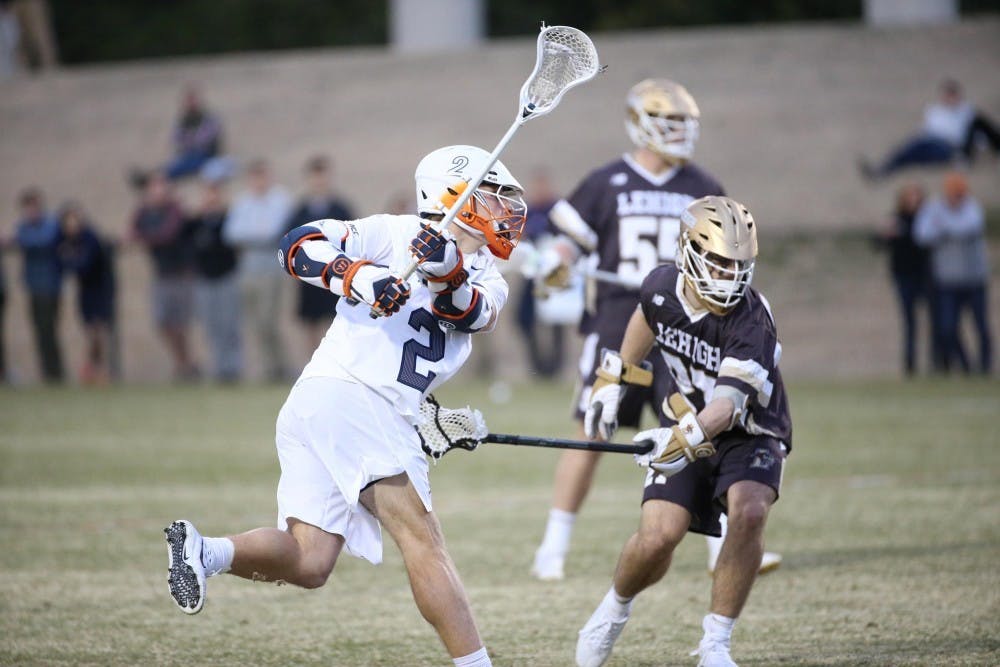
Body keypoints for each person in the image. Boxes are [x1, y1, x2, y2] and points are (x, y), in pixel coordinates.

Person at [163, 144, 528, 667]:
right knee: (423, 539)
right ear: (457, 197)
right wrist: (359, 277)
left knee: (310, 561)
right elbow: (296, 245)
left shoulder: (488, 274)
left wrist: (446, 268)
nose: (507, 212)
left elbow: (467, 310)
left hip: (331, 403)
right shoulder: (396, 233)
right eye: (494, 198)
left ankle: (205, 552)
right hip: (356, 399)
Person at [531, 79, 779, 581]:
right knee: (592, 432)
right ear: (640, 124)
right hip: (620, 321)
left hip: (687, 322)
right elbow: (568, 243)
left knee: (700, 426)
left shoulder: (700, 183)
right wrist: (556, 264)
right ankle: (552, 548)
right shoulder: (607, 181)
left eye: (685, 125)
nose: (679, 134)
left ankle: (721, 548)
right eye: (670, 124)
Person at [575, 196, 791, 667]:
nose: (729, 275)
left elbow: (727, 408)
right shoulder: (660, 285)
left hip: (750, 429)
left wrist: (677, 437)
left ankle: (715, 644)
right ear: (688, 251)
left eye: (738, 265)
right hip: (689, 417)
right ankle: (612, 611)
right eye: (717, 261)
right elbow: (646, 318)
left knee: (749, 511)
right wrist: (613, 378)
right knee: (658, 536)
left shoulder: (752, 320)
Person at [914, 171, 992, 375]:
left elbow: (969, 226)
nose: (957, 198)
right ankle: (965, 366)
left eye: (960, 194)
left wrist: (943, 228)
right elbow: (922, 235)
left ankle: (985, 367)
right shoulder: (934, 209)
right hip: (947, 280)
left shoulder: (972, 208)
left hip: (974, 278)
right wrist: (944, 229)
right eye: (954, 194)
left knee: (981, 326)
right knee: (948, 327)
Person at [224, 159, 292, 381]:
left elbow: (274, 231)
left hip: (271, 269)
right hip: (248, 270)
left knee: (268, 320)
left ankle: (279, 366)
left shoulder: (280, 200)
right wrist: (256, 234)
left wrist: (251, 235)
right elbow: (231, 233)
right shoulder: (243, 202)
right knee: (254, 322)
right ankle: (268, 367)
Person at [129, 170, 199, 380]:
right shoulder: (144, 212)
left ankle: (186, 365)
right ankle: (183, 363)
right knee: (162, 323)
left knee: (179, 323)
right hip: (161, 275)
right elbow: (131, 232)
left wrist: (146, 236)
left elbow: (167, 234)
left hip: (180, 274)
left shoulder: (175, 210)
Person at [858, 79, 1000, 182]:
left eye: (952, 95)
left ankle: (884, 171)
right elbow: (927, 129)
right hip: (928, 141)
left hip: (949, 147)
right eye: (946, 95)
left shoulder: (967, 112)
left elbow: (977, 134)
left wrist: (978, 148)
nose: (949, 99)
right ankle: (879, 172)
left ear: (958, 96)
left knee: (916, 157)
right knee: (905, 152)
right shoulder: (935, 110)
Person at [284, 155, 355, 353]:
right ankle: (312, 359)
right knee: (311, 321)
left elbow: (352, 237)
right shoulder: (301, 209)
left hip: (337, 273)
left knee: (336, 318)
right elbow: (291, 239)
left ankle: (337, 359)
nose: (319, 180)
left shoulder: (340, 207)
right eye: (315, 176)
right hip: (310, 274)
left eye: (322, 175)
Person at [187, 168, 242, 383]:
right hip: (204, 279)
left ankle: (233, 368)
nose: (211, 197)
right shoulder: (196, 223)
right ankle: (219, 367)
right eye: (207, 192)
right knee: (212, 325)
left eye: (215, 192)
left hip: (226, 276)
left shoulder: (229, 218)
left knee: (229, 324)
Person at [515, 166, 566, 378]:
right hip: (532, 273)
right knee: (523, 317)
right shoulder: (528, 211)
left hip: (553, 272)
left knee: (556, 318)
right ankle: (537, 364)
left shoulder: (558, 210)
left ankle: (554, 366)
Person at [57, 201, 116, 385]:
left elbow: (84, 265)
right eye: (69, 220)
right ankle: (92, 369)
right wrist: (68, 259)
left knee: (98, 331)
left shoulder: (90, 237)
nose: (72, 224)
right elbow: (59, 262)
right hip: (85, 290)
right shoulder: (65, 239)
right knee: (90, 331)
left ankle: (98, 370)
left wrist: (69, 258)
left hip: (101, 288)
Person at [875, 183, 931, 376]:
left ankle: (940, 364)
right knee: (910, 322)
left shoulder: (926, 219)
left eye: (916, 196)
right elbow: (878, 244)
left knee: (937, 321)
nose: (913, 201)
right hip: (903, 277)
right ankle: (910, 366)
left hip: (926, 276)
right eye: (909, 197)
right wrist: (884, 233)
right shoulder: (896, 219)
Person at [14, 186, 64, 382]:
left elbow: (40, 241)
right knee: (39, 330)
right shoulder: (23, 226)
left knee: (49, 329)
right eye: (27, 207)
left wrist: (23, 239)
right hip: (33, 286)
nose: (31, 211)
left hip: (50, 286)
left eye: (34, 206)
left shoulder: (50, 225)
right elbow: (23, 238)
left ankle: (56, 372)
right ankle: (47, 372)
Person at [164, 84, 225, 181]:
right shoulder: (183, 121)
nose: (191, 104)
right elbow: (175, 139)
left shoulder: (208, 118)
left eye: (192, 101)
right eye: (188, 101)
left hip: (206, 156)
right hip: (188, 155)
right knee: (177, 163)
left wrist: (190, 139)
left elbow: (206, 140)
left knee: (190, 162)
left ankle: (164, 175)